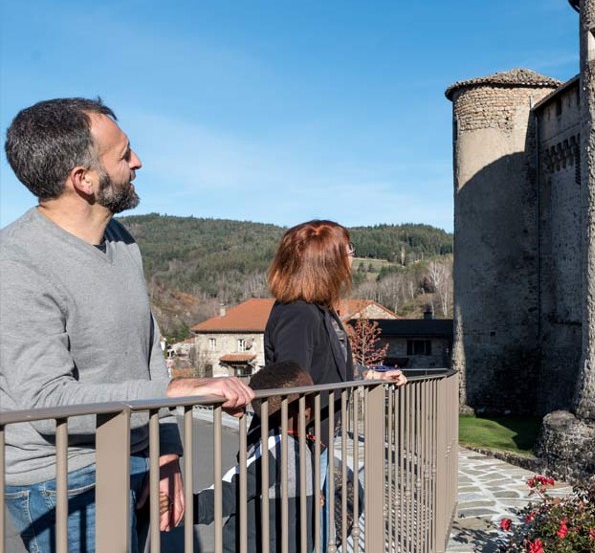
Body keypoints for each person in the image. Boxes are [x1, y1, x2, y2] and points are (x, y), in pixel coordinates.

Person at [1, 97, 255, 553]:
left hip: (137, 455)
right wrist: (175, 393)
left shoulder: (121, 240)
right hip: (62, 478)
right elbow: (44, 400)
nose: (137, 162)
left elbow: (149, 352)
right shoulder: (15, 263)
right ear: (83, 179)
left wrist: (168, 449)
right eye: (123, 155)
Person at [263, 220, 407, 389]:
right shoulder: (299, 313)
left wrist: (375, 375)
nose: (352, 254)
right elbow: (290, 386)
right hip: (314, 416)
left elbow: (331, 365)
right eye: (348, 248)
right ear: (328, 264)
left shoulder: (317, 308)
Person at [195, 362, 317, 553]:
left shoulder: (299, 444)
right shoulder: (277, 450)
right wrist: (186, 509)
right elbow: (230, 490)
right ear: (303, 409)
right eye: (312, 397)